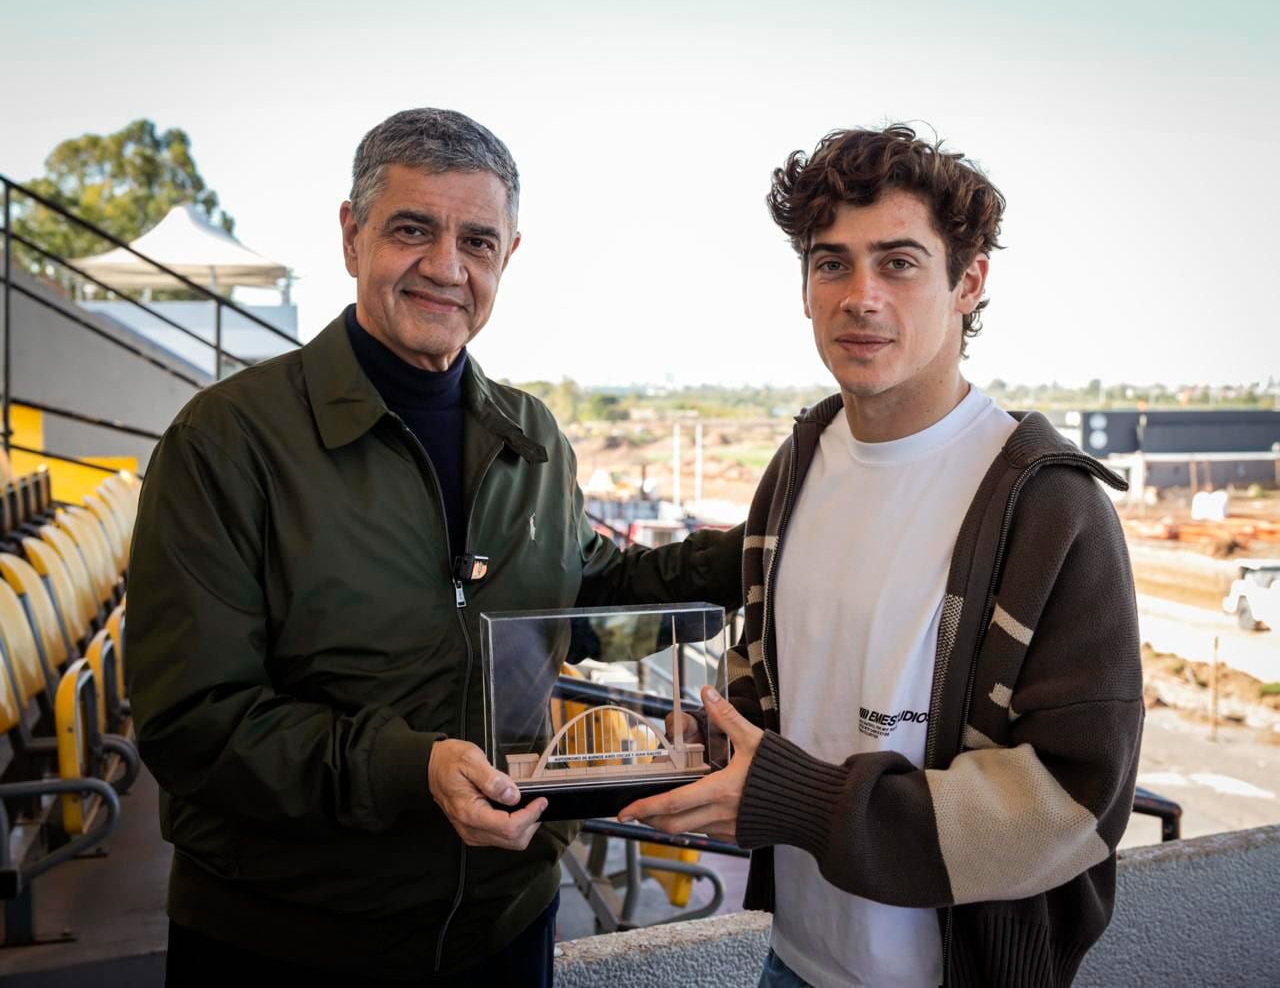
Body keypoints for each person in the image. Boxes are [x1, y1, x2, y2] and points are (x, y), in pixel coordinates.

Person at [127, 107, 743, 986]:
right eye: (413, 230)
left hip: (505, 922)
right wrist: (413, 769)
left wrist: (755, 552)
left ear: (508, 257)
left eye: (477, 242)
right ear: (352, 235)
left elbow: (585, 601)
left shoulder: (532, 436)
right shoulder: (226, 442)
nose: (448, 267)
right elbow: (193, 722)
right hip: (285, 939)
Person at [621, 124, 1143, 987]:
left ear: (968, 282)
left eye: (899, 263)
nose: (860, 297)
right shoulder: (797, 466)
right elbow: (783, 688)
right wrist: (719, 745)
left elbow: (1073, 803)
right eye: (832, 263)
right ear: (804, 288)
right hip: (794, 958)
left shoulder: (1049, 507)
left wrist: (799, 800)